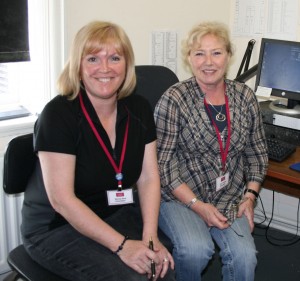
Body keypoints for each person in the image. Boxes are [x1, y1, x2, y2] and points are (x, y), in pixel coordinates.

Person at [21, 21, 175, 281]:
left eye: (115, 58)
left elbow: (148, 178)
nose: (105, 68)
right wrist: (123, 246)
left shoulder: (138, 109)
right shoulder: (58, 115)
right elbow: (62, 201)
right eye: (93, 58)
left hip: (114, 211)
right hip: (58, 226)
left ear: (126, 65)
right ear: (78, 67)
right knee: (132, 277)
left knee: (163, 262)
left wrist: (150, 236)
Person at [154, 21, 268, 281]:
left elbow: (257, 152)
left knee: (245, 257)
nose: (209, 62)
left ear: (228, 56)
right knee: (196, 250)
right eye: (199, 53)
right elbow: (163, 165)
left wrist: (249, 196)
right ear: (189, 58)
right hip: (180, 195)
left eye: (216, 52)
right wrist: (197, 205)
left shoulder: (244, 96)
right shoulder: (174, 99)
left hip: (228, 196)